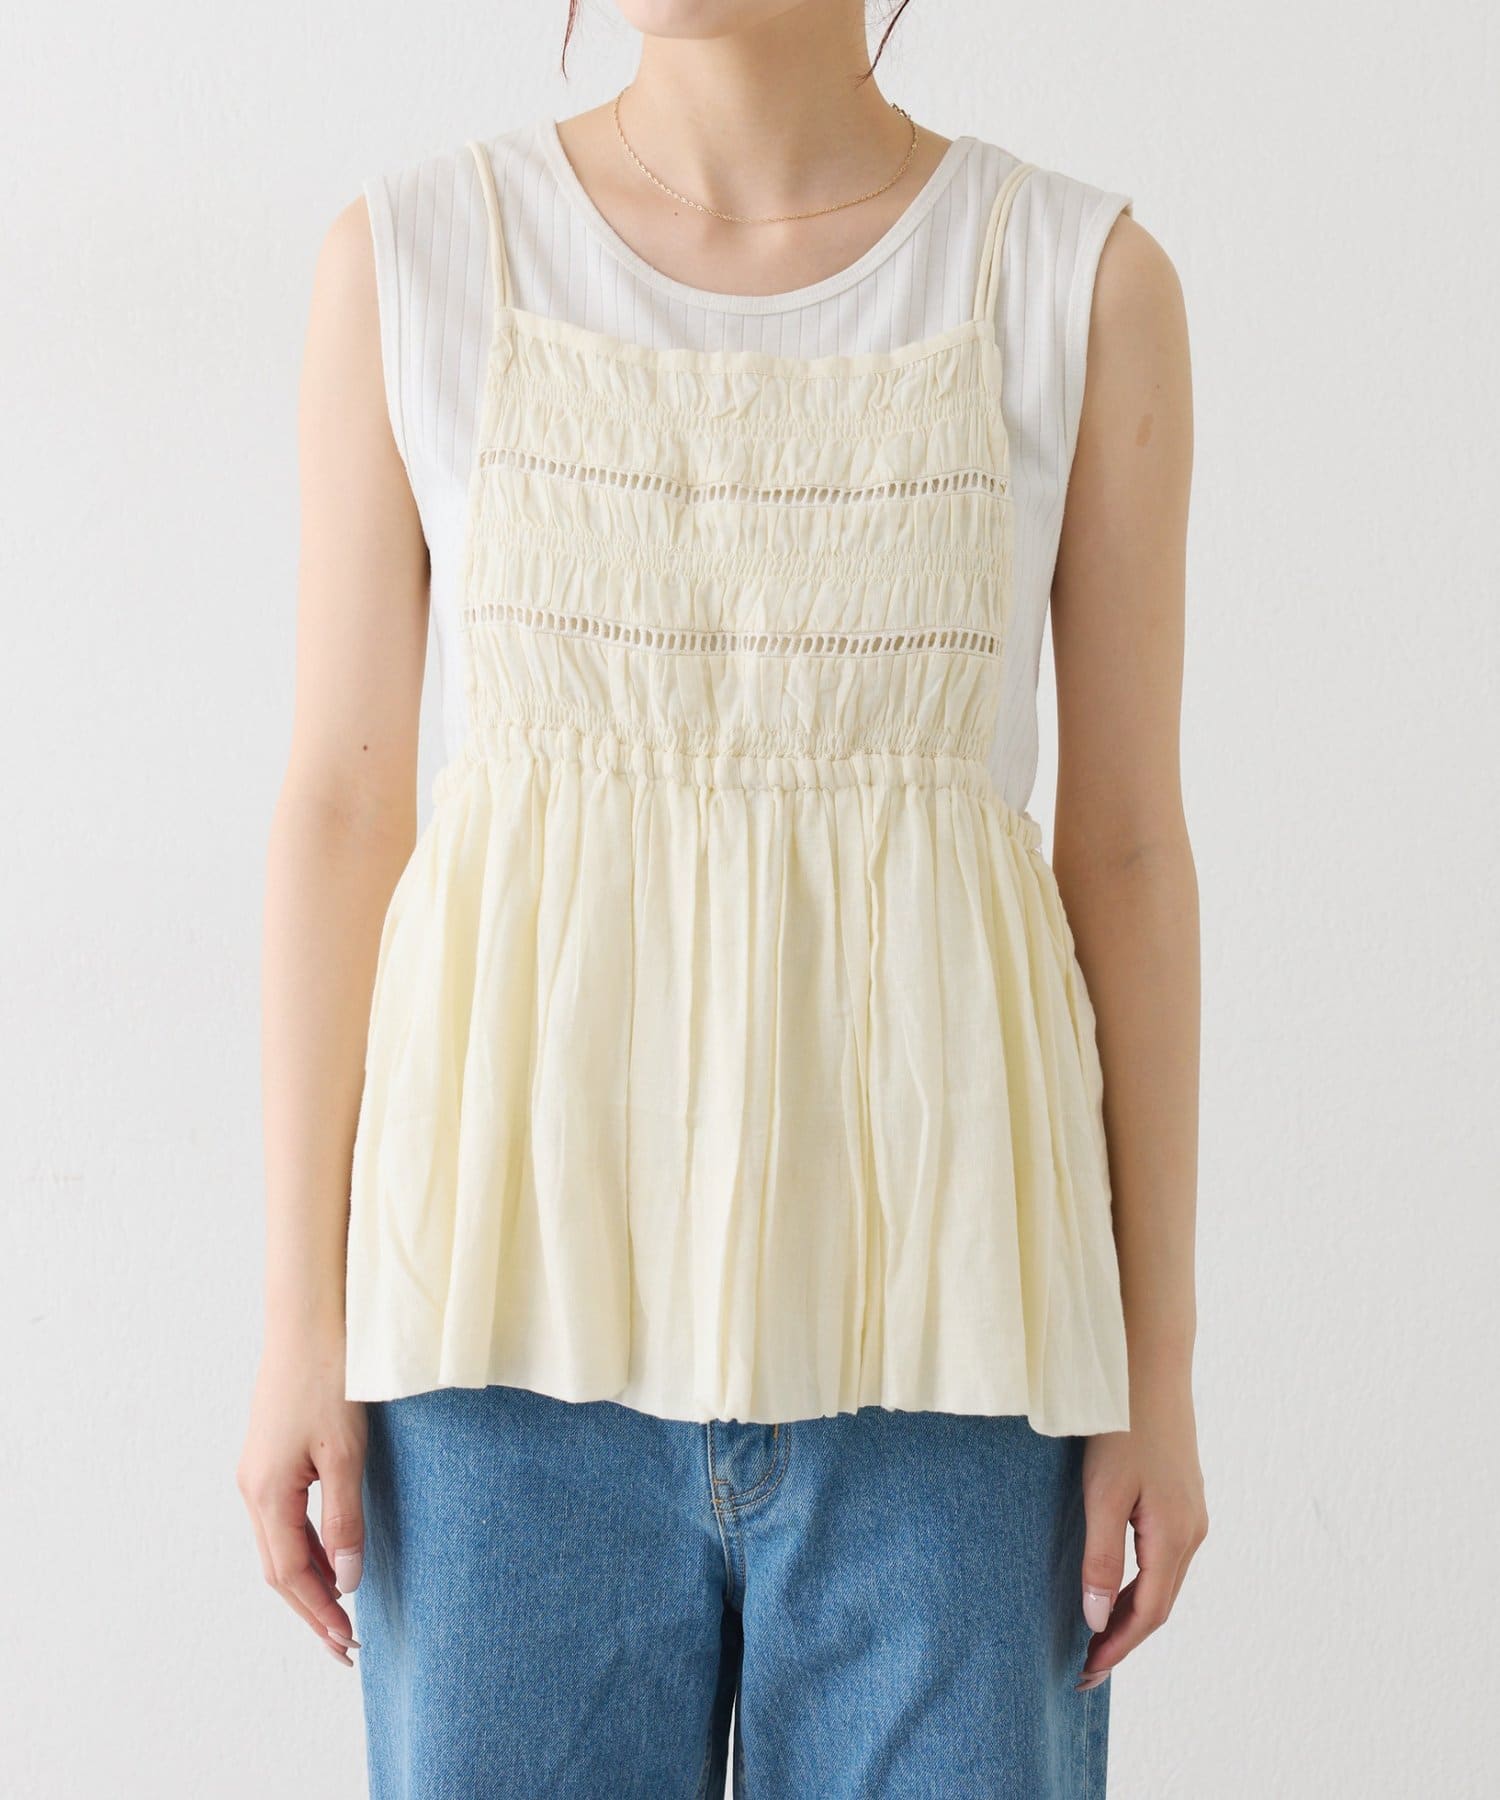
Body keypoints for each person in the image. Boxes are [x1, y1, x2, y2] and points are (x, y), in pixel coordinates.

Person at [237, 2, 1206, 1792]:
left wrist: (1159, 1363)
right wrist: (301, 1322)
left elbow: (1127, 850)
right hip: (495, 1350)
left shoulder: (1075, 280)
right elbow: (344, 808)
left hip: (959, 1356)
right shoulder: (416, 259)